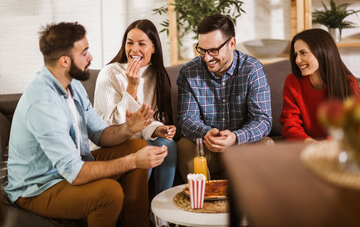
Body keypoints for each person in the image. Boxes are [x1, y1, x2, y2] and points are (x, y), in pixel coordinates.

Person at [5, 22, 168, 227]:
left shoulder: (73, 85)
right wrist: (133, 161)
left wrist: (129, 128)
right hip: (39, 187)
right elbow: (76, 172)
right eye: (84, 52)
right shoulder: (43, 103)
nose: (90, 57)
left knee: (138, 145)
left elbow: (100, 134)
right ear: (65, 61)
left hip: (70, 169)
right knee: (109, 192)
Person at [93, 19, 176, 224]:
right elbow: (112, 125)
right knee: (142, 147)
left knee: (168, 145)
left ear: (154, 48)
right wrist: (131, 87)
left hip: (140, 138)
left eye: (141, 43)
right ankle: (136, 212)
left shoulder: (157, 75)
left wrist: (159, 129)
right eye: (129, 43)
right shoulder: (110, 73)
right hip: (111, 142)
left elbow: (151, 118)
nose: (134, 49)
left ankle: (160, 214)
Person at [176, 14, 272, 181]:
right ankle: (203, 202)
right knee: (184, 146)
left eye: (213, 50)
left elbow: (263, 120)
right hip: (207, 148)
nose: (207, 58)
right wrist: (207, 133)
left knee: (267, 144)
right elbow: (186, 119)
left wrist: (236, 137)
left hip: (242, 147)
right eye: (202, 50)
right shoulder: (189, 72)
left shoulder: (252, 70)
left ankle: (250, 204)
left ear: (232, 44)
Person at [280, 28, 360, 142]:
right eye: (295, 54)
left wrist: (327, 144)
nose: (297, 60)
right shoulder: (292, 82)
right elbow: (290, 125)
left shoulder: (348, 83)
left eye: (303, 53)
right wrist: (311, 143)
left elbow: (352, 126)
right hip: (304, 147)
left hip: (338, 147)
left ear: (322, 52)